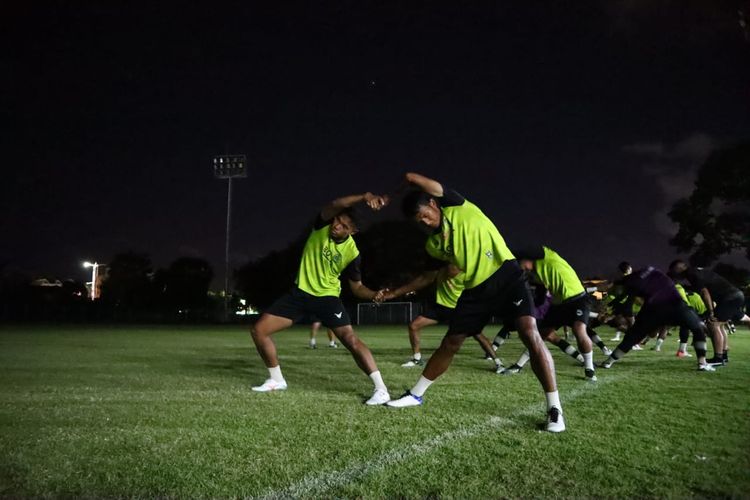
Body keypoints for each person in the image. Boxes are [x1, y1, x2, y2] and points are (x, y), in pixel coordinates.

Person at [385, 173, 565, 432]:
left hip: (506, 276)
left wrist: (392, 193)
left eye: (426, 214)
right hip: (475, 290)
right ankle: (415, 395)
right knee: (451, 342)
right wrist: (395, 293)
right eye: (419, 221)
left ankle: (554, 410)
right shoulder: (433, 245)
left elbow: (411, 176)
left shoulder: (457, 205)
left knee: (529, 332)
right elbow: (427, 276)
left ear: (434, 204)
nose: (425, 221)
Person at [249, 191, 392, 405]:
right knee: (259, 330)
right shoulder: (321, 226)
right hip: (300, 294)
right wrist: (364, 197)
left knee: (350, 340)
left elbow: (357, 288)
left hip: (327, 298)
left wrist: (373, 294)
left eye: (344, 225)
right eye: (338, 220)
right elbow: (335, 203)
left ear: (354, 231)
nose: (337, 226)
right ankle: (276, 380)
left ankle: (381, 389)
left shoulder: (353, 253)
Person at [388, 264, 504, 372]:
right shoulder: (440, 271)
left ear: (460, 268)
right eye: (448, 266)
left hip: (458, 309)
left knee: (478, 334)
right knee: (414, 326)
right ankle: (417, 359)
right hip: (440, 309)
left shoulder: (467, 277)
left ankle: (498, 363)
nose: (449, 269)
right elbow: (424, 280)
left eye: (452, 267)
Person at [599, 266, 714, 372]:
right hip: (674, 305)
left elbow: (625, 298)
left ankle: (608, 362)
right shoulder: (651, 270)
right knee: (698, 328)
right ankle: (702, 362)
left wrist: (611, 311)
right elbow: (626, 296)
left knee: (633, 337)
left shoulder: (630, 282)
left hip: (654, 308)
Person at [513, 245, 597, 381]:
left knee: (578, 328)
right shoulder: (537, 276)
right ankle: (518, 365)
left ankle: (589, 369)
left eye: (520, 263)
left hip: (578, 298)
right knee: (540, 334)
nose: (522, 268)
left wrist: (507, 254)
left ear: (527, 258)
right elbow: (539, 299)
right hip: (559, 305)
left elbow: (527, 249)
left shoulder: (547, 256)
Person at [669, 260, 747, 365]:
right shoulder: (697, 270)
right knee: (719, 325)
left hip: (730, 297)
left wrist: (711, 311)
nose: (674, 274)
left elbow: (704, 293)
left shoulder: (691, 274)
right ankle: (723, 357)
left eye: (673, 271)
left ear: (679, 268)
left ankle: (718, 359)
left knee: (713, 324)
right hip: (734, 295)